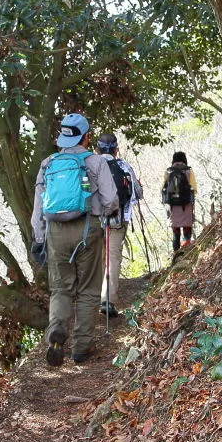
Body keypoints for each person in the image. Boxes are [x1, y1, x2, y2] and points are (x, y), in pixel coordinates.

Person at [30, 113, 118, 366]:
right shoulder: (95, 162)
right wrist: (102, 209)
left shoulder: (48, 164)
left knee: (60, 288)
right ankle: (81, 346)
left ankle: (56, 333)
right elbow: (111, 200)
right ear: (86, 136)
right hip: (87, 228)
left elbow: (39, 208)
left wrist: (38, 237)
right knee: (88, 289)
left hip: (55, 231)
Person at [96, 133, 143, 318]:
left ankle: (93, 299)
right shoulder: (123, 166)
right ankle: (108, 300)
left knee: (97, 257)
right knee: (112, 258)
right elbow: (138, 193)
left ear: (97, 149)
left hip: (93, 220)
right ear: (116, 149)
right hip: (117, 220)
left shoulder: (89, 165)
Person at [161, 151, 197, 253]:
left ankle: (176, 254)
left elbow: (163, 188)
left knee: (175, 233)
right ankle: (187, 252)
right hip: (186, 205)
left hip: (172, 207)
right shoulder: (188, 170)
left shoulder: (168, 171)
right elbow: (194, 188)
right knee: (186, 230)